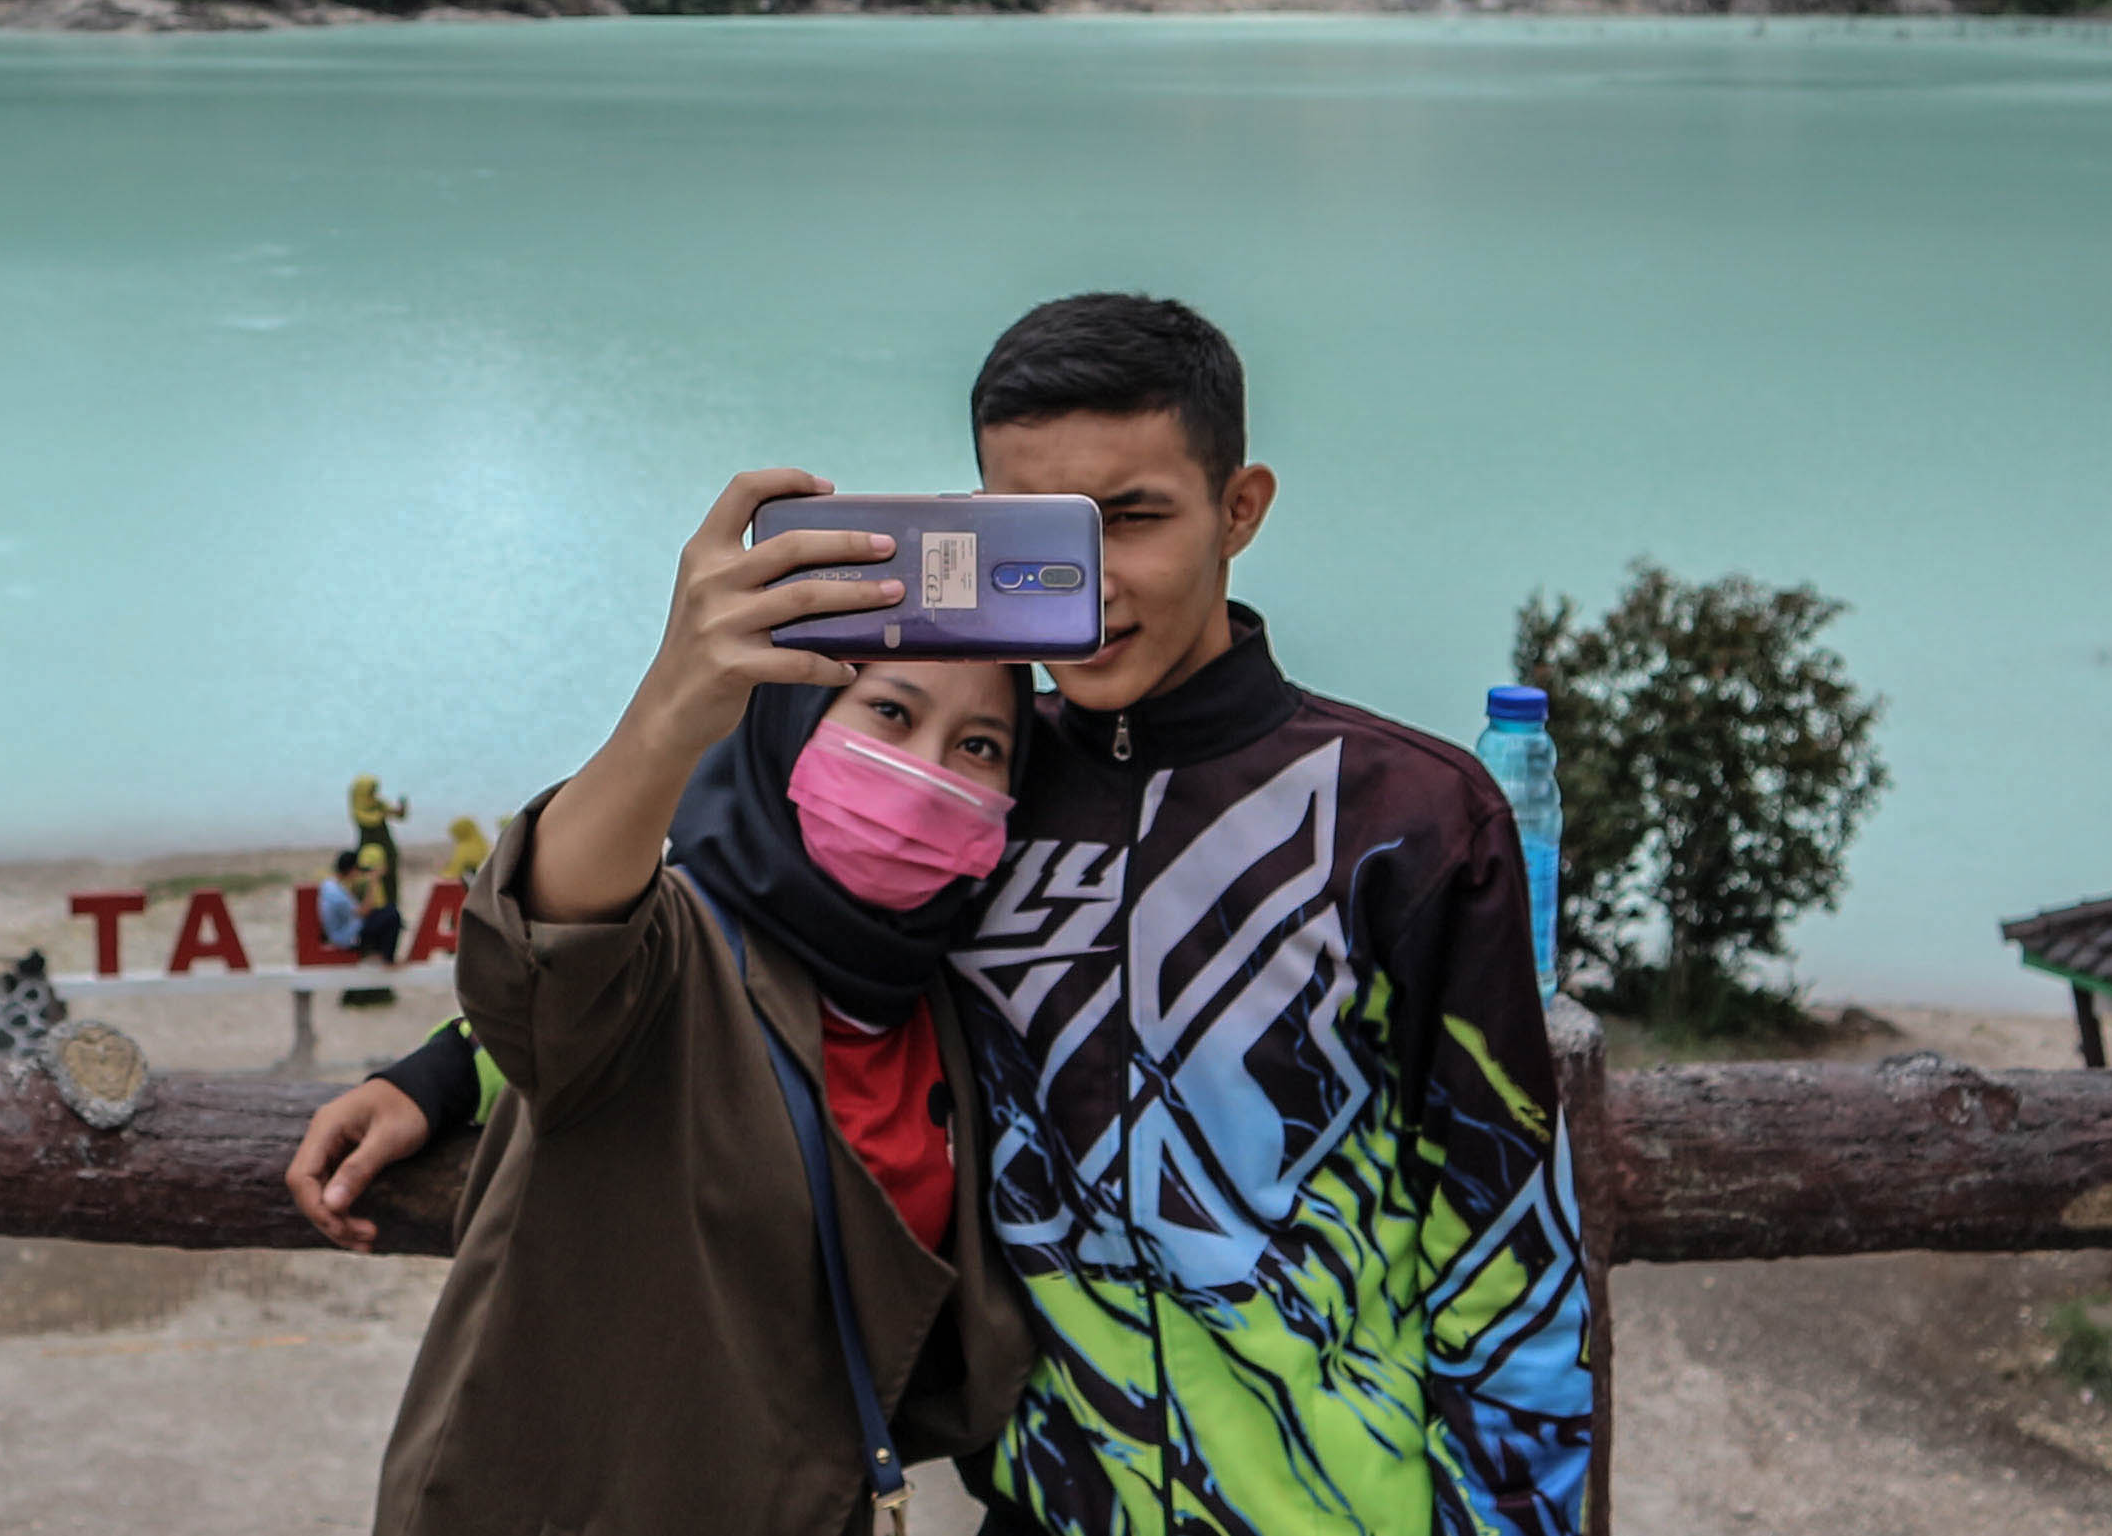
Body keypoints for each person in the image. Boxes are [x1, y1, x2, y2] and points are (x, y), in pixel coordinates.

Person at [300, 293, 1600, 1533]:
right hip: (1031, 1511)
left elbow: (1507, 1261)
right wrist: (445, 1069)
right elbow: (718, 939)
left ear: (1240, 508)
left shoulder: (1408, 821)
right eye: (1050, 530)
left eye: (1133, 517)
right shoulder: (979, 784)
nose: (1095, 580)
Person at [370, 471, 1033, 1536]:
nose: (926, 775)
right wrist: (671, 710)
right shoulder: (678, 947)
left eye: (980, 748)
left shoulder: (951, 1007)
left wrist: (445, 1067)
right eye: (888, 713)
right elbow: (553, 945)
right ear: (787, 720)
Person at [315, 850, 403, 963]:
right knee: (392, 915)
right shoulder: (336, 893)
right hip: (346, 938)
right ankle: (387, 959)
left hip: (346, 930)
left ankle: (380, 954)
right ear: (351, 870)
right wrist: (374, 881)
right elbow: (363, 912)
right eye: (357, 870)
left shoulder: (331, 885)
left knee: (386, 911)